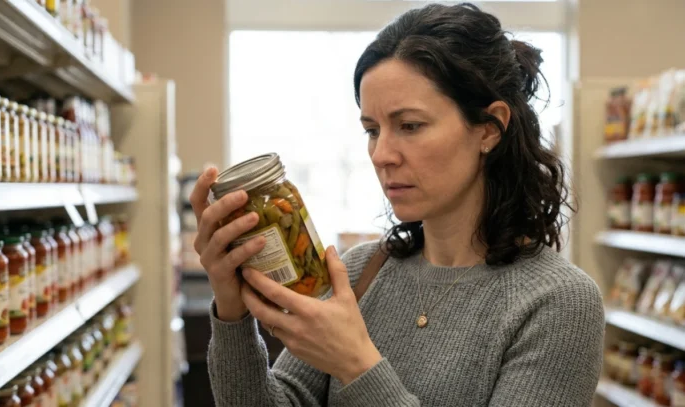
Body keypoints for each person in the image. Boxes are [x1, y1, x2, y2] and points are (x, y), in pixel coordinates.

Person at [191, 3, 604, 406]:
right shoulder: (361, 272)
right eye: (372, 130)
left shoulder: (559, 304)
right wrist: (232, 310)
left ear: (490, 128)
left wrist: (357, 366)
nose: (381, 154)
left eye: (410, 126)